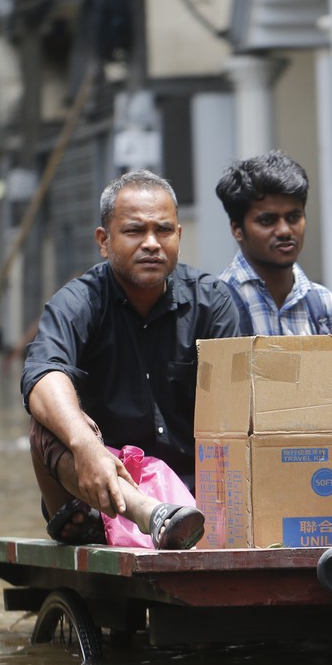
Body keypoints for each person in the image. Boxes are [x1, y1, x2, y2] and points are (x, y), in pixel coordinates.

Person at [21, 169, 247, 549]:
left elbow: (237, 410)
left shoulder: (212, 303)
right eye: (134, 231)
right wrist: (86, 445)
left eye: (163, 230)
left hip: (194, 496)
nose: (152, 243)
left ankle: (170, 517)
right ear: (104, 241)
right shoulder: (78, 302)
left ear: (179, 236)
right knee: (45, 423)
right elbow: (43, 373)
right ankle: (147, 513)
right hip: (98, 493)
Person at [215, 150, 332, 335]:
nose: (284, 231)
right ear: (237, 229)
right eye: (267, 220)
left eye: (293, 217)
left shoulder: (327, 309)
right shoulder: (216, 306)